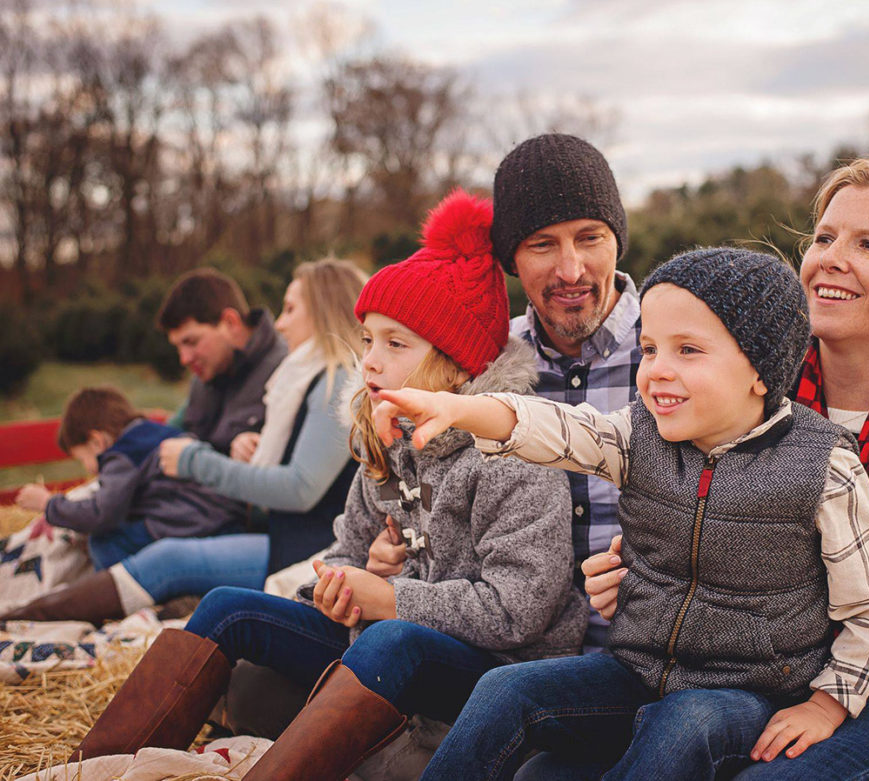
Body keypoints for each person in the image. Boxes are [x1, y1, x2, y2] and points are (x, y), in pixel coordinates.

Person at [70, 190, 587, 781]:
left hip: (497, 670)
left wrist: (390, 600)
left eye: (396, 344)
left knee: (390, 642)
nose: (369, 361)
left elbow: (517, 610)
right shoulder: (384, 441)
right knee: (227, 608)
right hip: (390, 641)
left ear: (456, 363)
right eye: (368, 339)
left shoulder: (513, 451)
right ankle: (90, 770)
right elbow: (344, 552)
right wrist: (340, 586)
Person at [586, 157, 869, 781]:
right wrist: (648, 582)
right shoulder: (738, 403)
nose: (829, 257)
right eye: (824, 237)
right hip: (774, 673)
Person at [378, 247, 869, 780]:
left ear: (760, 370)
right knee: (505, 689)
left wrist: (828, 703)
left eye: (688, 351)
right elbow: (557, 429)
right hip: (635, 670)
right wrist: (459, 409)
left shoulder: (823, 468)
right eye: (650, 349)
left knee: (686, 722)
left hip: (750, 693)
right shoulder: (641, 436)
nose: (657, 371)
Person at [374, 132, 642, 654]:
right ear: (511, 260)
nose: (571, 270)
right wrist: (391, 551)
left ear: (617, 239)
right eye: (542, 244)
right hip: (514, 653)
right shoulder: (480, 361)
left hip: (657, 648)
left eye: (590, 238)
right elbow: (413, 494)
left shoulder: (675, 352)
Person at [1, 260, 365, 629]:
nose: (279, 321)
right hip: (272, 526)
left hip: (305, 542)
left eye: (289, 309)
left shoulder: (332, 382)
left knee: (168, 558)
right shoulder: (297, 379)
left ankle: (24, 617)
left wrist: (197, 462)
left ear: (323, 309)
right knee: (111, 532)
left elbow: (301, 488)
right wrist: (244, 448)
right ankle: (27, 596)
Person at [3, 386, 244, 623]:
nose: (87, 468)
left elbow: (101, 513)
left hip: (188, 524)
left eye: (83, 459)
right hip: (221, 521)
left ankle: (119, 602)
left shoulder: (122, 455)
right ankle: (176, 594)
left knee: (104, 539)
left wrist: (48, 504)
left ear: (97, 441)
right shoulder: (156, 432)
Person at [159, 267, 287, 455]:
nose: (184, 359)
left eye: (191, 342)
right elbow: (172, 432)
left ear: (230, 322)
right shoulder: (206, 374)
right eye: (177, 346)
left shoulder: (286, 370)